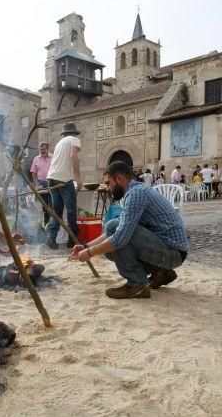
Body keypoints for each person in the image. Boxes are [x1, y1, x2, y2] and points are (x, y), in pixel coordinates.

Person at [69, 161, 188, 299]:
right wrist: (86, 246)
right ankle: (161, 272)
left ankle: (137, 285)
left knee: (117, 237)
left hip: (173, 252)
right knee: (112, 228)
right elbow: (116, 228)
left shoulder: (136, 194)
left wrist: (89, 252)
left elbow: (120, 238)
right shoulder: (134, 192)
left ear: (119, 179)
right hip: (170, 250)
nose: (107, 188)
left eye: (108, 183)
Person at [46, 122, 82, 249]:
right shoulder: (74, 139)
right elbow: (73, 156)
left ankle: (51, 237)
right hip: (64, 180)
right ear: (74, 133)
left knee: (57, 211)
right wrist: (78, 178)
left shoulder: (59, 143)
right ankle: (73, 240)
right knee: (71, 210)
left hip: (51, 177)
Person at [30, 142, 53, 227]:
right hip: (41, 184)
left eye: (44, 149)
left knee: (53, 205)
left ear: (47, 149)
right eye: (41, 149)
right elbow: (33, 172)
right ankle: (46, 224)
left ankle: (53, 224)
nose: (42, 151)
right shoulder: (36, 159)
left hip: (52, 183)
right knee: (45, 206)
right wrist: (36, 183)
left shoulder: (53, 157)